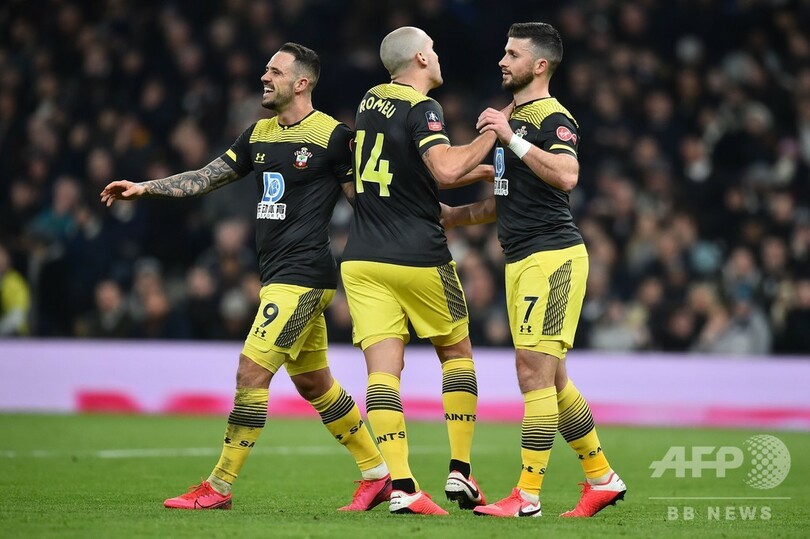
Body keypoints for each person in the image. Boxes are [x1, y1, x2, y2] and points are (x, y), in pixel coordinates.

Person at [100, 42, 391, 511]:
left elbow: (366, 202)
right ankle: (377, 475)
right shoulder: (258, 134)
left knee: (251, 372)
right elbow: (206, 176)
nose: (264, 77)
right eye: (265, 69)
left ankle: (218, 486)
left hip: (305, 277)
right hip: (277, 275)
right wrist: (145, 188)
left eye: (275, 71)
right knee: (314, 383)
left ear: (301, 82)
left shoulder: (334, 137)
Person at [442, 22, 627, 518]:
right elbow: (505, 201)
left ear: (540, 65)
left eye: (513, 54)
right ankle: (602, 478)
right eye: (504, 52)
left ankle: (527, 496)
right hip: (522, 259)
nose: (502, 61)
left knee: (532, 372)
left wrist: (509, 138)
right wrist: (454, 217)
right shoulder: (514, 118)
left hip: (553, 258)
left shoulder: (552, 117)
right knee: (554, 379)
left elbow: (567, 175)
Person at [341, 26, 500, 516]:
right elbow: (445, 169)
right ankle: (461, 469)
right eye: (432, 48)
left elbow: (408, 169)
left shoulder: (370, 101)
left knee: (382, 373)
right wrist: (492, 135)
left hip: (362, 258)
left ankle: (404, 487)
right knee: (457, 355)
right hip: (419, 256)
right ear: (419, 59)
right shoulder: (422, 107)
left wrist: (474, 170)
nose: (438, 54)